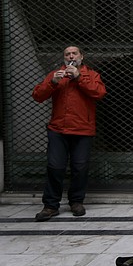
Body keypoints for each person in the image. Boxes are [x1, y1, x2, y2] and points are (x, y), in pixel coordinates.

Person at [32, 46, 107, 221]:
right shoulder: (55, 74)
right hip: (58, 129)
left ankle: (76, 202)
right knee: (55, 166)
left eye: (74, 53)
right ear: (64, 58)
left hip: (83, 129)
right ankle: (50, 205)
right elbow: (37, 96)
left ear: (81, 56)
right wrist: (53, 82)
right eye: (67, 54)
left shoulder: (91, 75)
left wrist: (79, 77)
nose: (71, 56)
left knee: (80, 167)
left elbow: (99, 93)